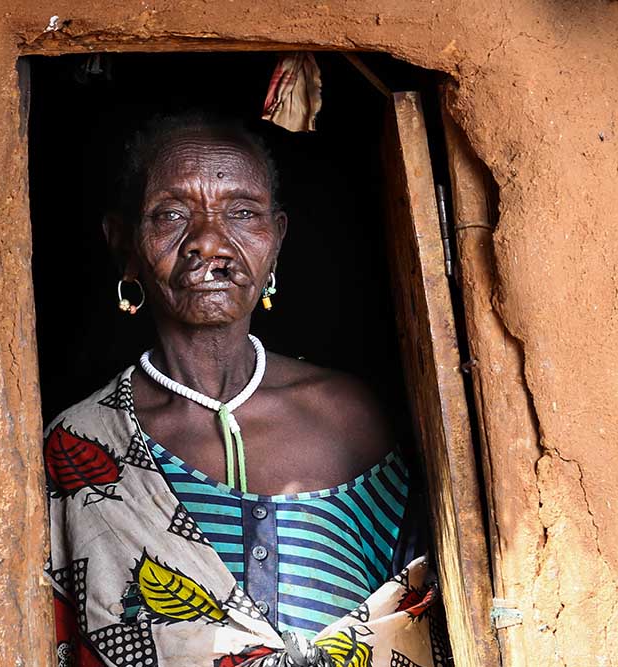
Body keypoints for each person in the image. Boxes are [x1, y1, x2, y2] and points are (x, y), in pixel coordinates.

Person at [44, 113, 442, 667]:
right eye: (172, 214)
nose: (209, 241)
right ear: (125, 243)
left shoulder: (351, 417)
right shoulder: (80, 442)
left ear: (276, 238)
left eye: (242, 213)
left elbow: (418, 618)